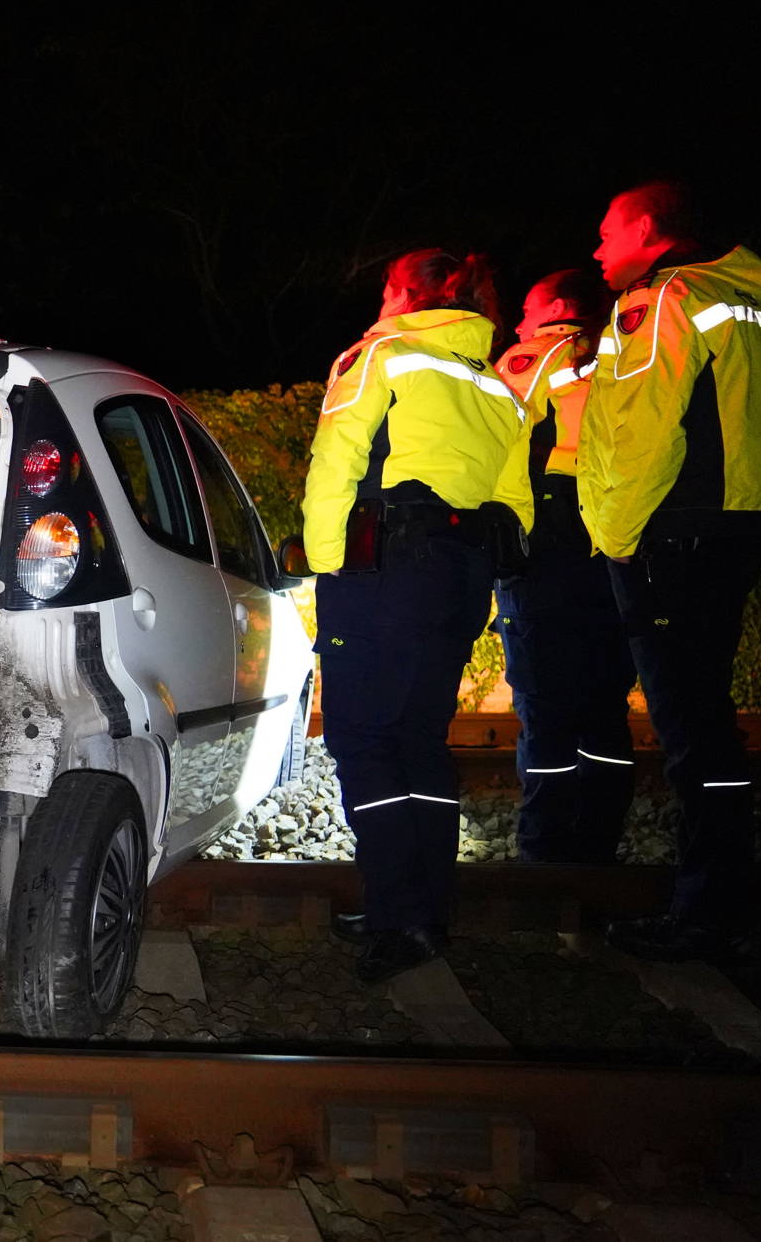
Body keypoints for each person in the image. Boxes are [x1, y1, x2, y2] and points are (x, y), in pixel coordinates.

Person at [580, 180, 761, 960]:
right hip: (742, 523)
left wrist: (612, 534)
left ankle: (705, 912)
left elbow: (641, 429)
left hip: (675, 532)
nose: (598, 248)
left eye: (607, 232)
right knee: (705, 719)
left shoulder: (667, 298)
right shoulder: (759, 300)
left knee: (690, 729)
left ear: (646, 228)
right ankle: (718, 896)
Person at [302, 249, 532, 983]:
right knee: (420, 742)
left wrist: (324, 558)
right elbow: (514, 504)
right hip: (459, 574)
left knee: (364, 738)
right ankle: (425, 910)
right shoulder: (495, 384)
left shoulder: (382, 357)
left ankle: (398, 912)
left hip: (383, 568)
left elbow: (336, 460)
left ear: (406, 295)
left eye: (384, 287)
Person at [492, 271, 636, 863]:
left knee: (544, 698)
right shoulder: (626, 347)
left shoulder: (528, 361)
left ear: (551, 310)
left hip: (545, 534)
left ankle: (544, 851)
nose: (520, 321)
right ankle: (598, 843)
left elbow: (493, 441)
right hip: (616, 530)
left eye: (526, 308)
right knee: (605, 697)